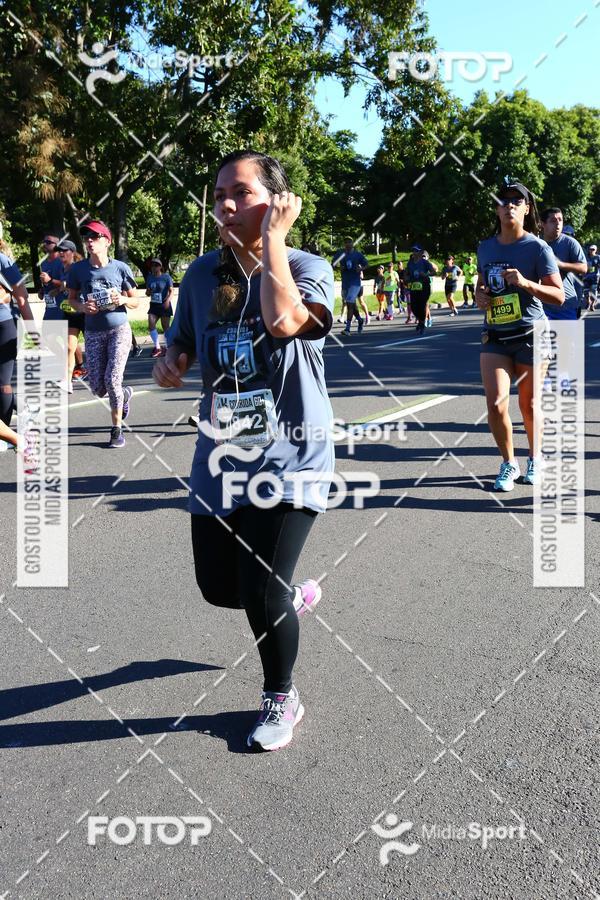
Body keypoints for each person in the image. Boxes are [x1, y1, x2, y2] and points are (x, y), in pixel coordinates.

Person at [153, 149, 334, 751]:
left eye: (242, 193)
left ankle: (282, 697)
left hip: (292, 457)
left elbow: (285, 322)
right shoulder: (200, 275)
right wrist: (170, 362)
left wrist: (273, 243)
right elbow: (180, 343)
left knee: (259, 587)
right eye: (218, 194)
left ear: (278, 202)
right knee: (220, 589)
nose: (225, 205)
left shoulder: (308, 265)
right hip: (222, 457)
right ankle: (290, 594)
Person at [475, 181, 564, 491]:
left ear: (527, 209)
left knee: (528, 404)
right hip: (496, 334)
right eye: (503, 201)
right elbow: (480, 284)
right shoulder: (485, 247)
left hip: (531, 333)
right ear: (497, 209)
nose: (509, 205)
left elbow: (558, 295)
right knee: (496, 403)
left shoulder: (537, 248)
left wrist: (526, 284)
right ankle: (508, 463)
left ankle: (535, 460)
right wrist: (480, 296)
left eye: (517, 201)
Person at [66, 220, 139, 448]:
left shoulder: (120, 268)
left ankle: (116, 430)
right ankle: (124, 395)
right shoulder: (78, 270)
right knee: (98, 389)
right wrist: (81, 307)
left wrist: (124, 299)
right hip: (94, 333)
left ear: (107, 241)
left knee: (111, 379)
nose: (89, 240)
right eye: (87, 237)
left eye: (95, 237)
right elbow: (71, 299)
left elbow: (136, 300)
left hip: (119, 329)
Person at [0, 242, 36, 456]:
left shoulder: (3, 260)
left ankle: (7, 434)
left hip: (3, 326)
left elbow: (21, 295)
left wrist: (32, 329)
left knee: (2, 384)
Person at [539, 208, 586, 321]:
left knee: (567, 339)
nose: (558, 224)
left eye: (560, 220)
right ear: (542, 224)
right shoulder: (535, 244)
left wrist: (559, 265)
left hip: (565, 306)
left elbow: (583, 268)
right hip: (541, 307)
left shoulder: (570, 243)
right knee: (543, 339)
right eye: (553, 220)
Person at [52, 240, 86, 392]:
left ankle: (108, 378)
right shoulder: (63, 269)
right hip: (70, 312)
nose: (61, 253)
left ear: (72, 252)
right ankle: (67, 381)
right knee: (69, 347)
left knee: (94, 349)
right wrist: (58, 290)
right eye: (59, 251)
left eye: (64, 251)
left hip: (84, 311)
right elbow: (65, 287)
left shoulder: (78, 268)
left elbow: (83, 286)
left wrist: (66, 286)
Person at [332, 237, 367, 335]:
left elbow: (366, 264)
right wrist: (339, 267)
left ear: (353, 243)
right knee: (351, 304)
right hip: (345, 283)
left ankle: (347, 328)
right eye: (346, 242)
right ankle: (360, 320)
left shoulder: (357, 255)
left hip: (355, 283)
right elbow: (333, 263)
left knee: (350, 302)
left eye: (349, 242)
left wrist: (360, 269)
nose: (347, 244)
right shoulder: (340, 253)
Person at [405, 245, 437, 334]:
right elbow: (406, 273)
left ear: (420, 252)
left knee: (422, 305)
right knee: (414, 307)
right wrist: (406, 278)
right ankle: (420, 321)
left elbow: (434, 272)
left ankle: (422, 323)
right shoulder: (410, 263)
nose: (414, 253)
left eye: (416, 251)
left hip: (425, 286)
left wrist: (426, 275)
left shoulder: (425, 262)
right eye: (413, 251)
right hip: (414, 287)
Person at [146, 258, 174, 357]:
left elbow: (171, 291)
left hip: (164, 304)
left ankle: (169, 347)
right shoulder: (149, 277)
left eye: (156, 265)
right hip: (154, 304)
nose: (154, 267)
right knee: (151, 324)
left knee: (165, 327)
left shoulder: (166, 277)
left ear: (160, 267)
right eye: (152, 265)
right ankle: (158, 348)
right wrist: (148, 291)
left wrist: (168, 301)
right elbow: (147, 292)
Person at [583, 244, 600, 311]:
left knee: (593, 291)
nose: (591, 250)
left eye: (593, 249)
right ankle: (588, 302)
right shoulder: (586, 258)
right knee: (586, 292)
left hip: (595, 277)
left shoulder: (598, 257)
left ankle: (592, 305)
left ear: (596, 250)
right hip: (586, 277)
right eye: (590, 249)